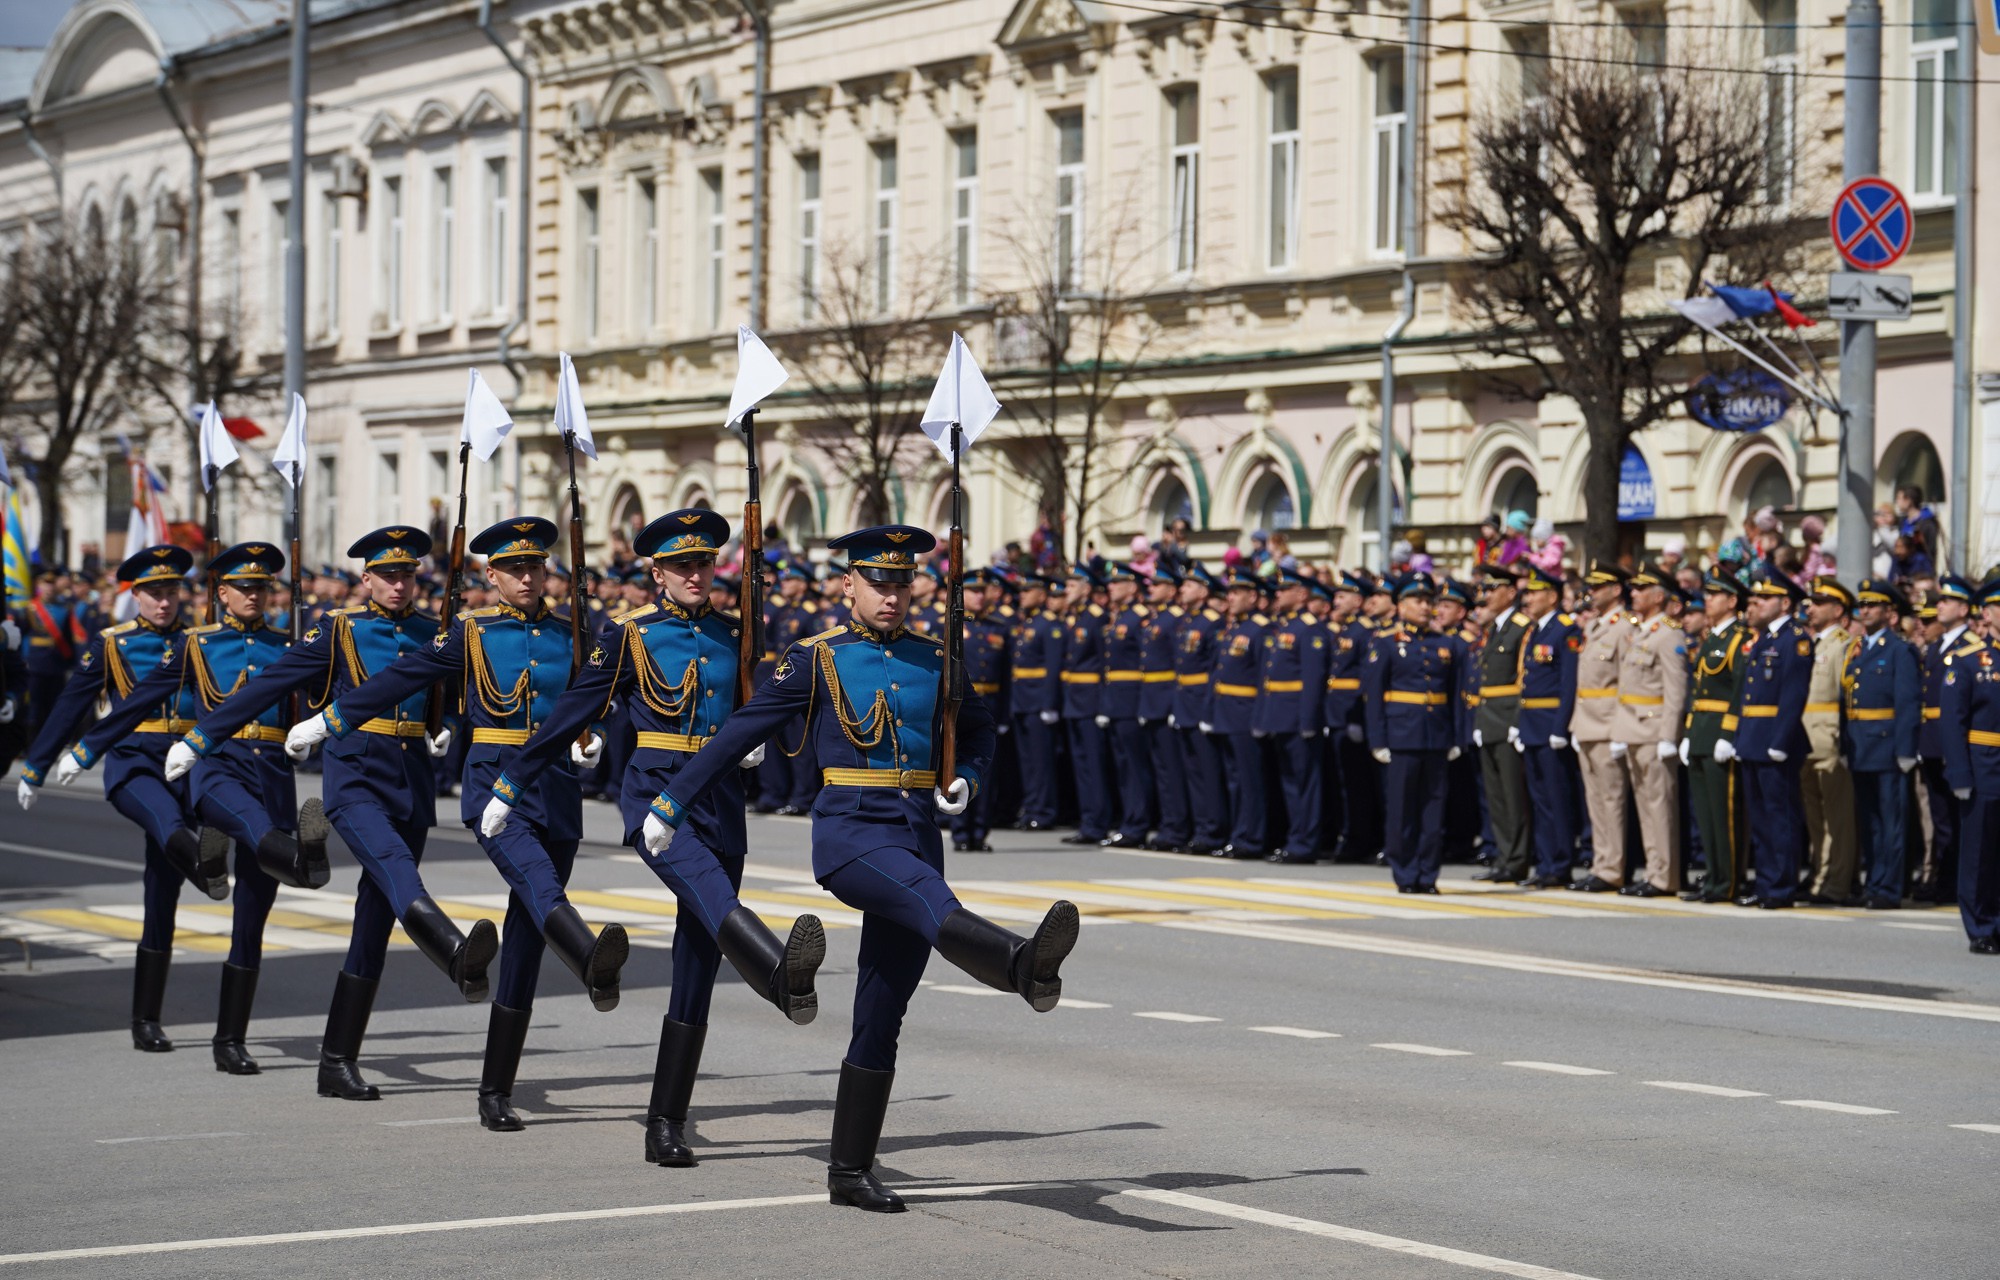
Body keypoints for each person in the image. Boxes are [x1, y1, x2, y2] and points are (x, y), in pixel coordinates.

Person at [638, 524, 1077, 1213]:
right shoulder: (816, 658)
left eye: (902, 583)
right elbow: (741, 731)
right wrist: (671, 800)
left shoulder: (938, 658)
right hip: (851, 835)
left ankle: (849, 1171)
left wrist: (964, 772)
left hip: (914, 830)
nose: (893, 595)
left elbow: (984, 724)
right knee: (935, 906)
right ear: (849, 584)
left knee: (882, 1009)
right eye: (878, 582)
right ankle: (1021, 965)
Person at [485, 509, 824, 1166]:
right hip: (658, 804)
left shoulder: (737, 632)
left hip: (722, 803)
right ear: (657, 572)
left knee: (697, 962)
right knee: (709, 895)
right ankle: (779, 975)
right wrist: (513, 782)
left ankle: (664, 1121)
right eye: (682, 566)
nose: (697, 575)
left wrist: (757, 742)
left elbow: (772, 716)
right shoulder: (630, 635)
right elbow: (574, 711)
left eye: (705, 564)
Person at [287, 517, 632, 1130]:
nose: (527, 576)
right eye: (513, 568)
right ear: (490, 575)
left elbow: (597, 697)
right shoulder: (467, 632)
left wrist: (595, 738)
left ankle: (491, 1088)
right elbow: (401, 679)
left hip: (550, 792)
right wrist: (329, 720)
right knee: (523, 889)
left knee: (516, 936)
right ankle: (559, 958)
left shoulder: (577, 632)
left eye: (536, 565)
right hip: (486, 785)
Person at [166, 526, 494, 1101]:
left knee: (374, 923)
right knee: (397, 870)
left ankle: (336, 1061)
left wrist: (444, 727)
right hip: (356, 778)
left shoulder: (436, 631)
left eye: (407, 574)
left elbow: (467, 693)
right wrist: (202, 737)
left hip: (411, 782)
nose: (398, 584)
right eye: (387, 575)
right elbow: (275, 680)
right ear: (365, 580)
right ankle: (453, 951)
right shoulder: (341, 628)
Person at [61, 542, 327, 1074]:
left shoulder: (289, 644)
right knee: (195, 858)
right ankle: (296, 858)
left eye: (262, 587)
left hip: (272, 778)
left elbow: (322, 697)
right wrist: (86, 749)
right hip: (216, 769)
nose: (254, 595)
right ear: (221, 593)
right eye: (243, 587)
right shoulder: (196, 644)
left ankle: (230, 1040)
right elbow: (139, 699)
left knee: (251, 919)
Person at [15, 546, 229, 1053]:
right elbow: (71, 705)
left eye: (171, 591)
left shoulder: (200, 641)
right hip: (133, 761)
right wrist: (36, 766)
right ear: (135, 596)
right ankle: (208, 867)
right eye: (154, 593)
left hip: (187, 761)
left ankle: (146, 1019)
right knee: (163, 818)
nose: (164, 602)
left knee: (162, 894)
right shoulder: (113, 644)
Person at [1361, 573, 1470, 893]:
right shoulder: (1386, 644)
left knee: (1432, 811)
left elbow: (1456, 696)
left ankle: (1428, 874)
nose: (1425, 608)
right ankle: (1405, 872)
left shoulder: (1446, 645)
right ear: (1400, 606)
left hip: (1436, 736)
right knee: (1402, 811)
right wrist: (1378, 740)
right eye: (1418, 601)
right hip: (1401, 736)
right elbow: (1374, 696)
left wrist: (1457, 737)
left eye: (1429, 602)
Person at [1718, 569, 1814, 909]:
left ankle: (1781, 886)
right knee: (1759, 819)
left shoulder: (1794, 639)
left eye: (1764, 598)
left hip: (1776, 739)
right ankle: (1765, 882)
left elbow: (1793, 694)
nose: (1755, 602)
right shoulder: (1763, 639)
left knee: (1780, 818)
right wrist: (1739, 736)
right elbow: (1748, 694)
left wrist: (1780, 739)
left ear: (1785, 602)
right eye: (1754, 597)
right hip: (1754, 738)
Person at [1609, 564, 1688, 897]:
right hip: (1633, 729)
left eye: (1641, 590)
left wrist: (1669, 736)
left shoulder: (1669, 634)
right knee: (1645, 805)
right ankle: (1654, 869)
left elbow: (1676, 690)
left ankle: (1663, 875)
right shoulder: (1642, 632)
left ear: (1659, 597)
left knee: (1659, 806)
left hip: (1654, 729)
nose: (1634, 594)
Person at [1845, 579, 1922, 911]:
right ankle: (1873, 881)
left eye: (1873, 605)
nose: (1865, 611)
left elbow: (1907, 703)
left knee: (1891, 823)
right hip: (1861, 747)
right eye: (1862, 605)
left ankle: (1889, 887)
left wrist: (1905, 750)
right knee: (1870, 821)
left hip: (1888, 747)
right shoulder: (1858, 648)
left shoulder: (1899, 650)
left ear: (1889, 612)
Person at [1680, 572, 1751, 902]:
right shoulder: (1711, 638)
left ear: (1732, 601)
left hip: (1721, 733)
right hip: (1701, 734)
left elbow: (1738, 690)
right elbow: (1698, 690)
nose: (1707, 600)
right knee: (1706, 813)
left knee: (1726, 815)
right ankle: (1713, 878)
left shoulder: (1739, 639)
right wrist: (1689, 733)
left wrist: (1728, 733)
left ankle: (1729, 882)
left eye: (1714, 595)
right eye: (1706, 594)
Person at [1943, 578, 2000, 953]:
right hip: (1984, 765)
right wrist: (1960, 774)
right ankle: (1980, 925)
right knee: (1979, 850)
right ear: (1990, 614)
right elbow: (1953, 723)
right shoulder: (1967, 662)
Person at [1514, 565, 1580, 888]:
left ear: (1552, 597)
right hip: (1531, 725)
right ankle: (1545, 863)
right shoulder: (1536, 630)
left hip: (1551, 724)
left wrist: (1561, 726)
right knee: (1539, 800)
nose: (1528, 598)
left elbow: (1568, 683)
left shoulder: (1565, 629)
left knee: (1557, 798)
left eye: (1534, 592)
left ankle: (1560, 863)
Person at [1570, 562, 1634, 892]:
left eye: (1598, 588)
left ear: (1616, 590)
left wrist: (1622, 728)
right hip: (1587, 721)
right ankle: (1601, 861)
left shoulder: (1624, 627)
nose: (1591, 593)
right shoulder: (1596, 626)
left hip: (1609, 722)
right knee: (1595, 799)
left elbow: (1627, 681)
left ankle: (1613, 866)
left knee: (1612, 799)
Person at [1256, 566, 1327, 863]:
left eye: (1284, 590)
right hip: (1281, 716)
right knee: (1290, 783)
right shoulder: (1284, 627)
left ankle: (1305, 842)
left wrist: (1309, 721)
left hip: (1299, 719)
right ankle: (1295, 838)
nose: (1278, 594)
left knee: (1305, 783)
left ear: (1301, 594)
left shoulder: (1310, 629)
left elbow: (1313, 679)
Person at [1797, 578, 1858, 906]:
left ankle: (1837, 883)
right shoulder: (1813, 644)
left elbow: (1846, 698)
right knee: (1815, 820)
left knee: (1838, 820)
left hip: (1829, 740)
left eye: (1819, 603)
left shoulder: (1843, 645)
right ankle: (1819, 878)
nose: (1811, 608)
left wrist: (1844, 742)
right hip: (1807, 740)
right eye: (1811, 602)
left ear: (1838, 611)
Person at [1916, 576, 1977, 904]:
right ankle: (1945, 879)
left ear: (1963, 609)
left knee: (1960, 817)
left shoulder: (1970, 645)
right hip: (1932, 742)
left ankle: (1958, 882)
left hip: (1957, 744)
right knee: (1941, 818)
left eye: (1946, 601)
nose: (1938, 605)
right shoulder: (1938, 646)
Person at [1471, 565, 1532, 882]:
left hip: (1508, 718)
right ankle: (1504, 856)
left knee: (1512, 795)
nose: (1488, 595)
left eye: (1494, 590)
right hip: (1489, 718)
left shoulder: (1521, 627)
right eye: (1486, 590)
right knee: (1495, 795)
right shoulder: (1494, 629)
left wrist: (1517, 722)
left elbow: (1522, 678)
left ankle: (1517, 859)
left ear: (1511, 592)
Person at [1211, 570, 1269, 858]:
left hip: (1246, 715)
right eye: (1229, 592)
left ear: (1253, 597)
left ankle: (1252, 838)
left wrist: (1260, 719)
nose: (1230, 597)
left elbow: (1263, 680)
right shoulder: (1235, 628)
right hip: (1228, 714)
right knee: (1234, 781)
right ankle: (1238, 834)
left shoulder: (1260, 629)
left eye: (1237, 593)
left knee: (1249, 783)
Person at [1099, 563, 1156, 848]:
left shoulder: (1140, 617)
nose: (1110, 587)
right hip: (1116, 701)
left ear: (1133, 587)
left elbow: (1145, 664)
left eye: (1117, 582)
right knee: (1123, 766)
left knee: (1135, 767)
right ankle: (1129, 821)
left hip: (1132, 700)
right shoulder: (1120, 616)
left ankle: (1138, 824)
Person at [1176, 565, 1231, 855]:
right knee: (1194, 775)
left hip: (1202, 707)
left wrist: (1209, 710)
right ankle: (1200, 829)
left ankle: (1213, 831)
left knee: (1209, 774)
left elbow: (1214, 672)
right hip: (1185, 704)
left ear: (1203, 591)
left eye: (1188, 585)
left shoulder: (1212, 623)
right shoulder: (1189, 621)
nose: (1182, 589)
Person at [956, 569, 1012, 852]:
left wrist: (1004, 715)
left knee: (986, 770)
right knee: (955, 768)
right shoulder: (950, 625)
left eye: (982, 591)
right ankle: (961, 831)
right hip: (958, 704)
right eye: (972, 590)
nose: (978, 596)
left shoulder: (999, 628)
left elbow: (1007, 675)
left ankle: (980, 831)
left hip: (989, 704)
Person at [1136, 563, 1190, 852]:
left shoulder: (1174, 620)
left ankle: (1177, 828)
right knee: (1163, 772)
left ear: (1171, 589)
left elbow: (1178, 667)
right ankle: (1170, 826)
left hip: (1167, 702)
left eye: (1157, 585)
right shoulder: (1158, 619)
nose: (1151, 589)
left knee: (1172, 772)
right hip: (1153, 702)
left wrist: (1172, 706)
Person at [1008, 576, 1064, 832]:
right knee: (1028, 761)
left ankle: (1043, 811)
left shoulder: (1049, 625)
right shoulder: (1029, 623)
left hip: (1038, 700)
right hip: (1023, 700)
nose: (1023, 595)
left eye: (1028, 591)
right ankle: (1031, 807)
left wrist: (1049, 703)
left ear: (1042, 595)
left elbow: (1052, 668)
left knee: (1041, 761)